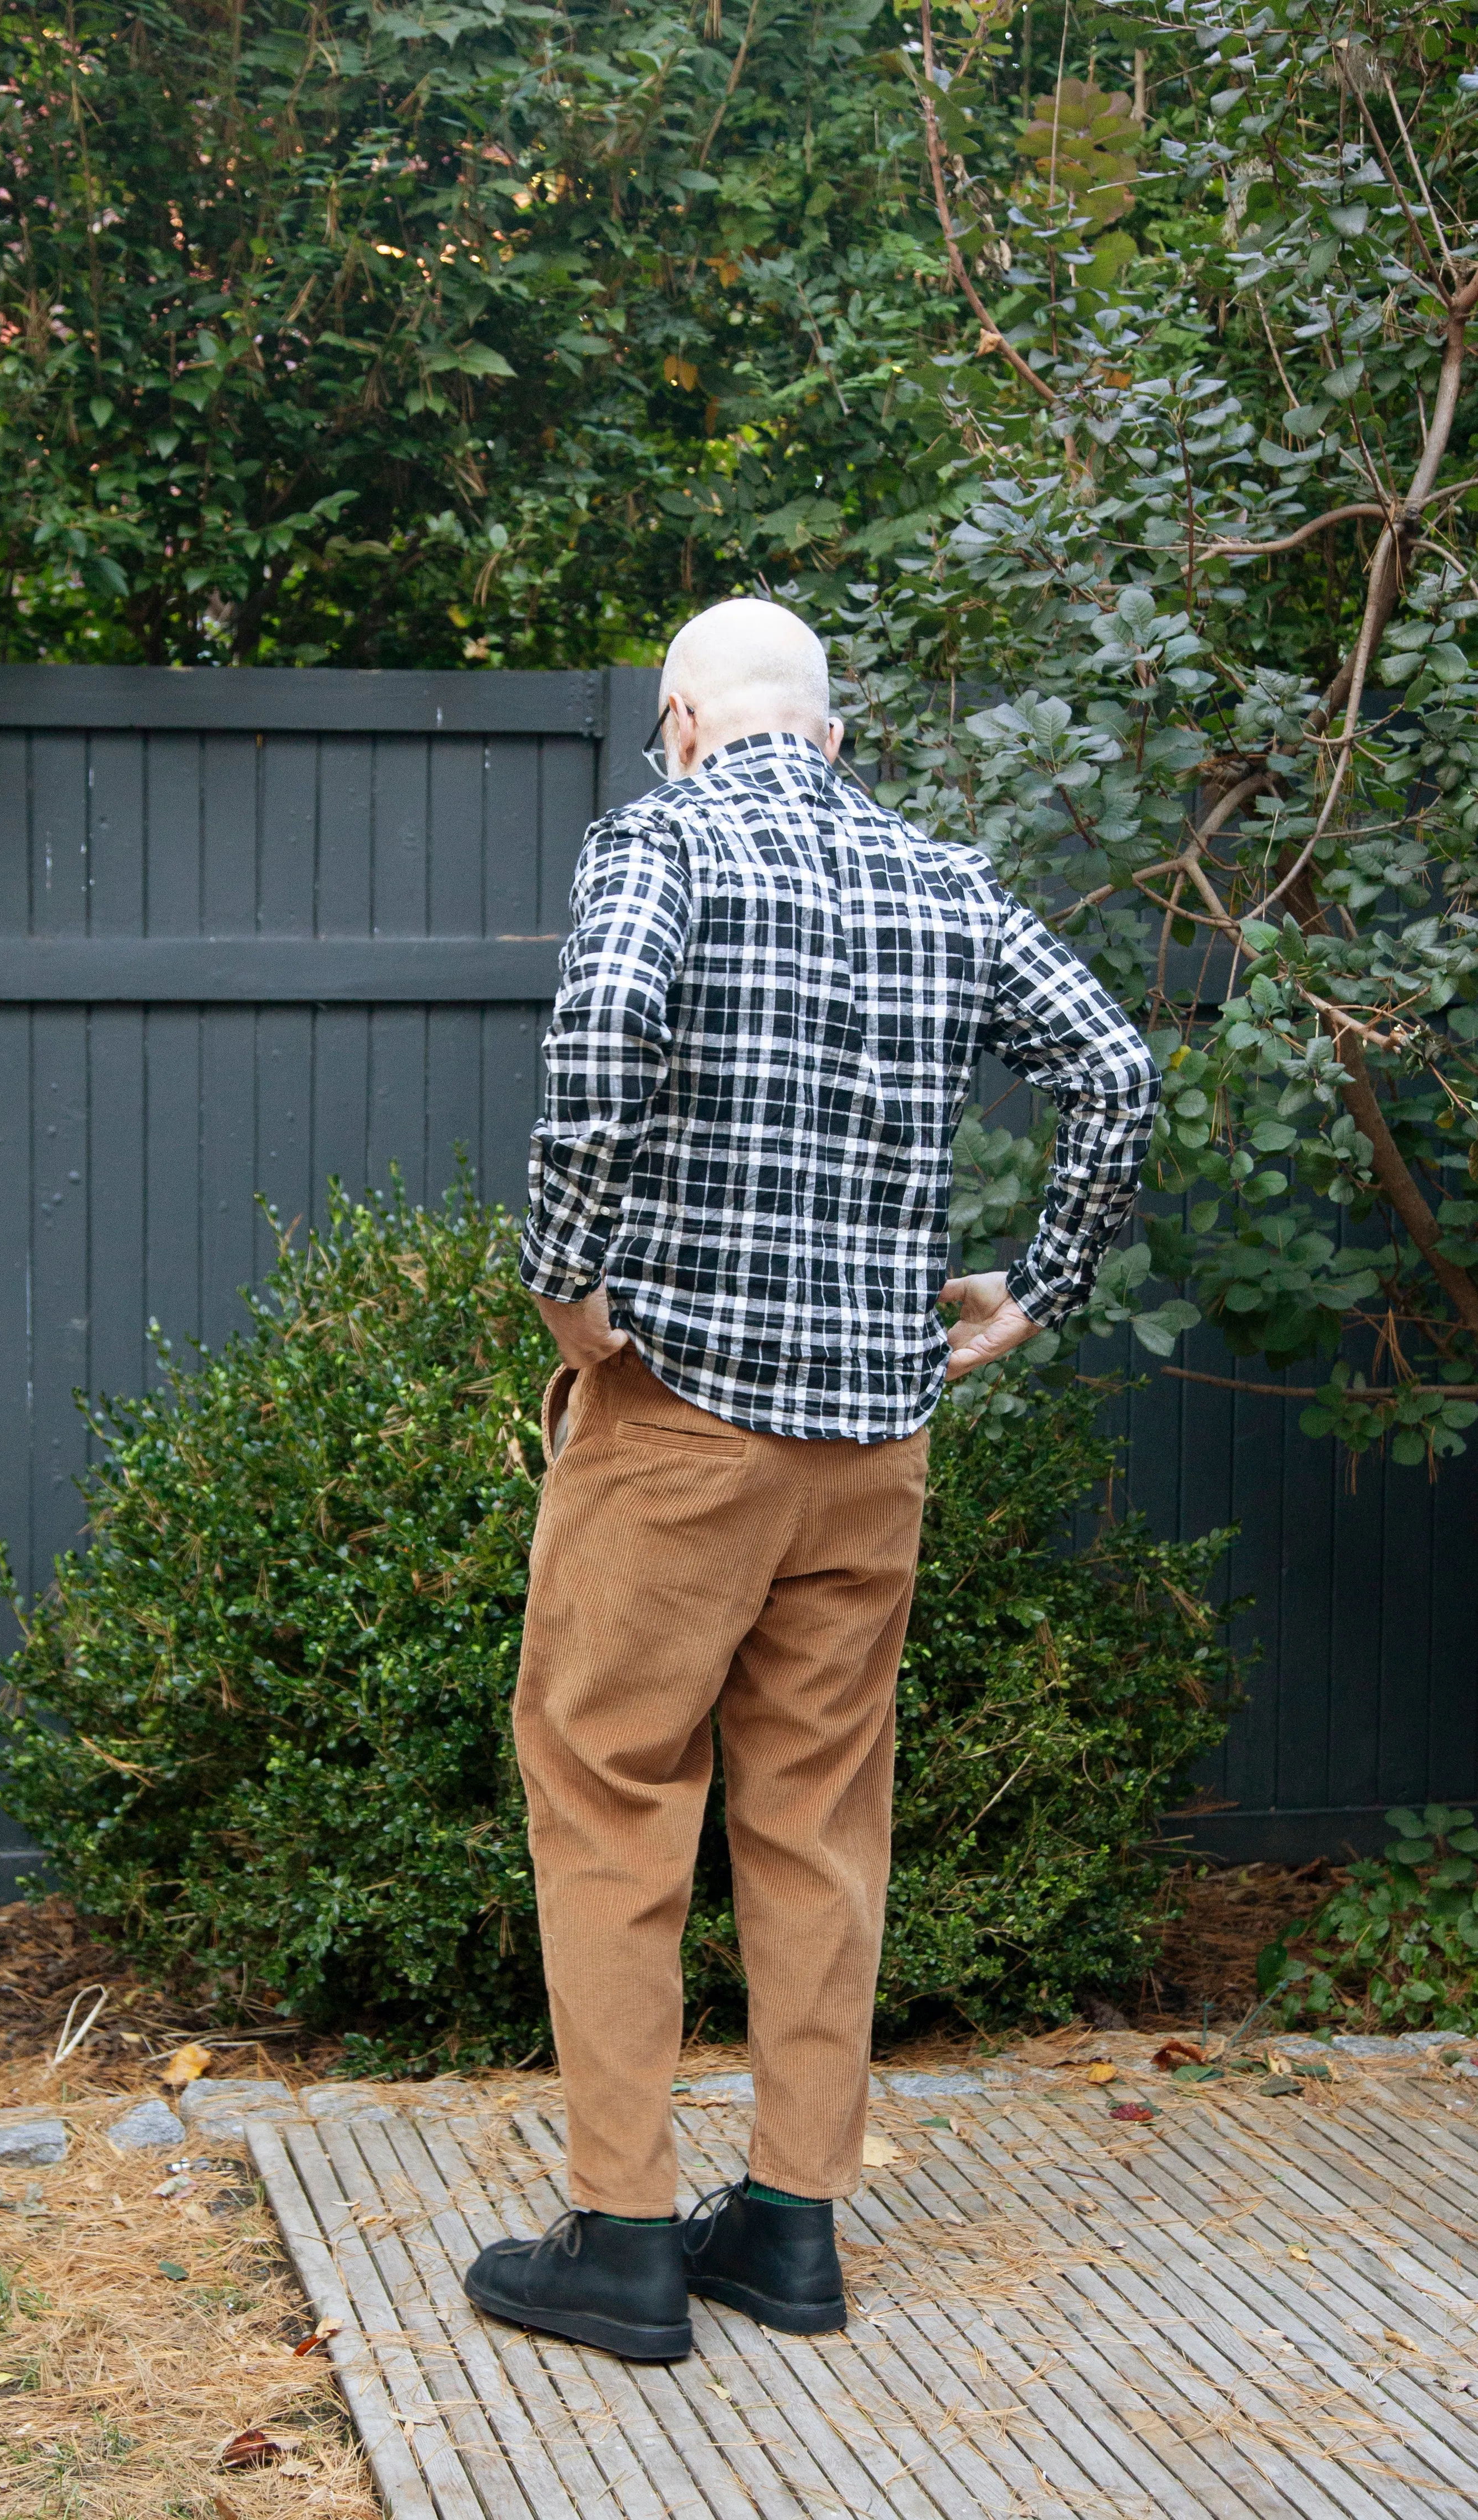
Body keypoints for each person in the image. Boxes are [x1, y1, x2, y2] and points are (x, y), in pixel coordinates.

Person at [461, 598, 1159, 2363]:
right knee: (819, 1814)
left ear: (682, 721)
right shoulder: (944, 879)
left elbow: (604, 1030)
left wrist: (565, 1274)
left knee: (612, 1787)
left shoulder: (659, 836)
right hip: (875, 1441)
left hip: (680, 1420)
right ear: (831, 736)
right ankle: (789, 2227)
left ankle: (623, 2236)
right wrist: (1040, 1282)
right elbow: (1118, 1071)